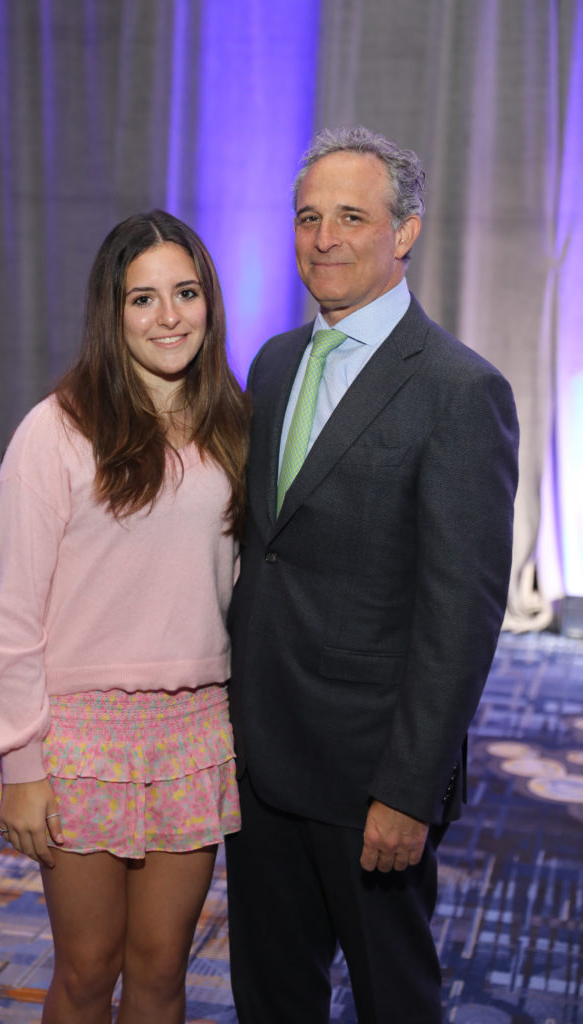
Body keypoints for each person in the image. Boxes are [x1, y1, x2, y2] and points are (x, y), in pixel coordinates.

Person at [224, 126, 519, 1023]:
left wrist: (406, 788)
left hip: (367, 778)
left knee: (394, 999)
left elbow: (459, 614)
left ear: (404, 232)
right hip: (258, 758)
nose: (323, 239)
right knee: (270, 996)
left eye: (351, 217)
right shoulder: (274, 362)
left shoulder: (459, 392)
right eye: (307, 217)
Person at [0, 210, 249, 1024]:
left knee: (161, 971)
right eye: (142, 299)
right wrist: (21, 760)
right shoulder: (55, 432)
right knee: (88, 971)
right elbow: (12, 612)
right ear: (111, 312)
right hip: (79, 740)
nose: (169, 317)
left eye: (185, 293)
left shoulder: (232, 424)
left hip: (194, 730)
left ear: (209, 302)